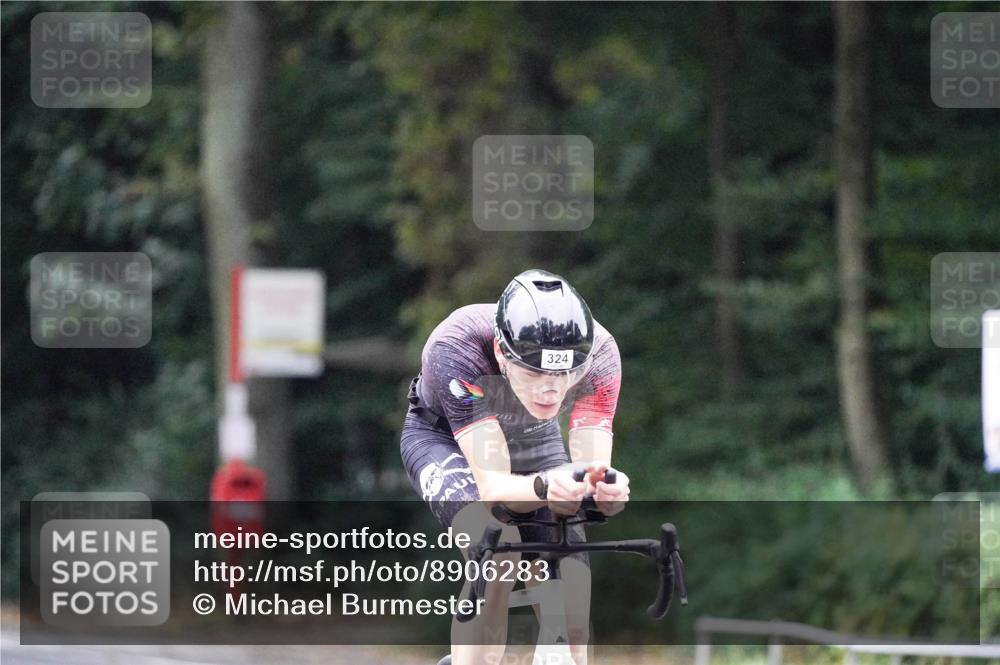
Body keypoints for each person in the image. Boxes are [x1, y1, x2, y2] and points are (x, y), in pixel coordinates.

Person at [400, 269, 629, 665]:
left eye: (564, 374)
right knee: (497, 549)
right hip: (446, 440)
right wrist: (546, 489)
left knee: (574, 613)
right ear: (503, 355)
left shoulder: (601, 355)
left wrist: (605, 490)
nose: (551, 388)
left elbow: (589, 475)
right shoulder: (457, 345)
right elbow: (493, 491)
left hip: (535, 441)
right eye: (535, 371)